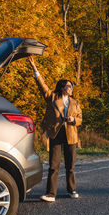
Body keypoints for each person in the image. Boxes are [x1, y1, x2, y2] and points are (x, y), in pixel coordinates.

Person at [28, 56, 82, 202]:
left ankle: (72, 190)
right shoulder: (52, 97)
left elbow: (80, 119)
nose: (70, 88)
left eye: (71, 86)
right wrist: (35, 69)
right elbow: (42, 85)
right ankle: (51, 194)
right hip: (56, 133)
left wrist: (73, 120)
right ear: (62, 87)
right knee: (53, 165)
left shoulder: (75, 102)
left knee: (70, 165)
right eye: (68, 86)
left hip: (70, 134)